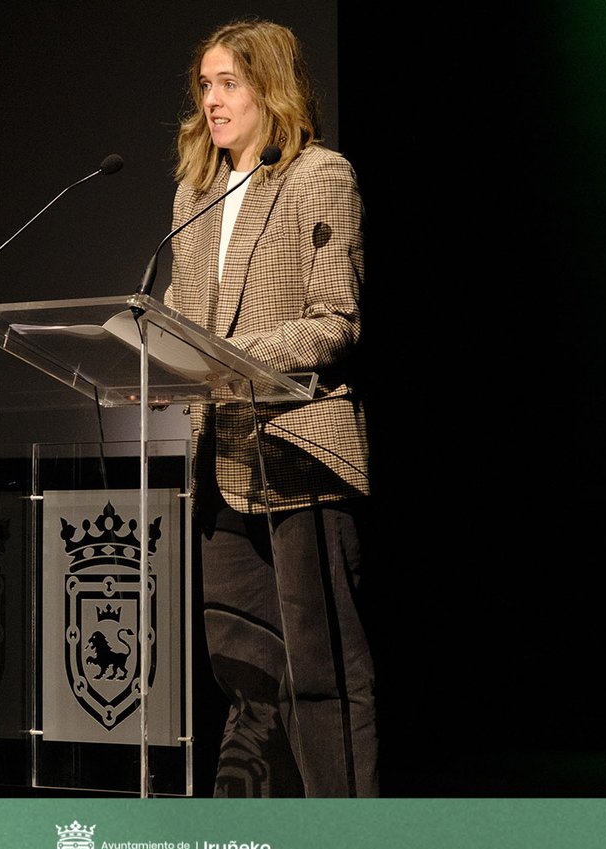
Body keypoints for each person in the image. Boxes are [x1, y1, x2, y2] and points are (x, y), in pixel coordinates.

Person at [161, 18, 377, 797]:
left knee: (322, 672)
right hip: (219, 454)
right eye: (205, 85)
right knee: (244, 667)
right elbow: (177, 316)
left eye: (229, 84)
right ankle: (256, 839)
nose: (212, 101)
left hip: (298, 451)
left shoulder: (319, 176)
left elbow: (336, 316)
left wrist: (234, 359)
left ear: (269, 89)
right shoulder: (195, 194)